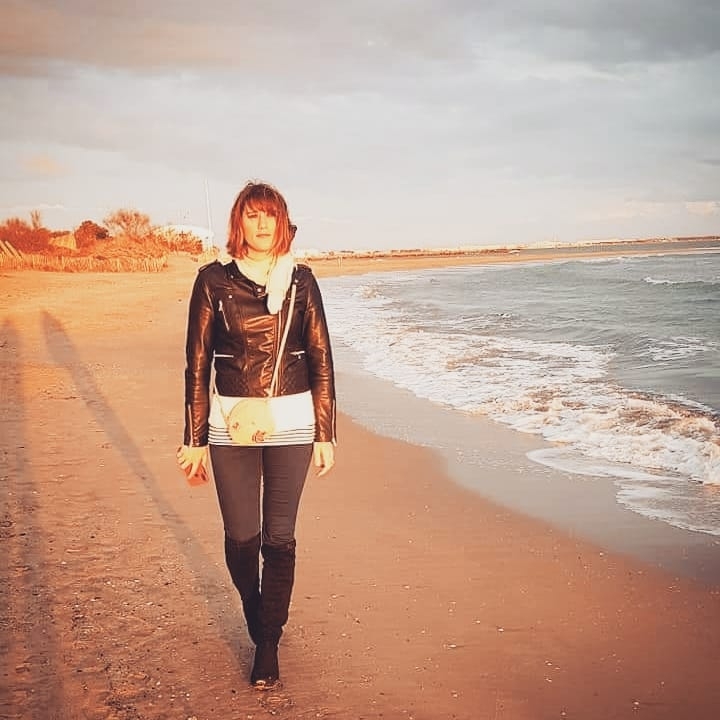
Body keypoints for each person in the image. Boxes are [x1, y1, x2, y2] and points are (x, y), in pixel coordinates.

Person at [176, 181, 336, 689]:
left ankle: (268, 643)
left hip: (293, 421)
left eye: (271, 215)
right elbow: (197, 363)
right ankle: (256, 609)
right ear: (238, 223)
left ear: (283, 222)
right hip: (230, 423)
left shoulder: (302, 282)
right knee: (242, 538)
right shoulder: (212, 281)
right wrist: (194, 438)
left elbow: (321, 358)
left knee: (279, 537)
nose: (262, 224)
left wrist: (326, 433)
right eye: (253, 215)